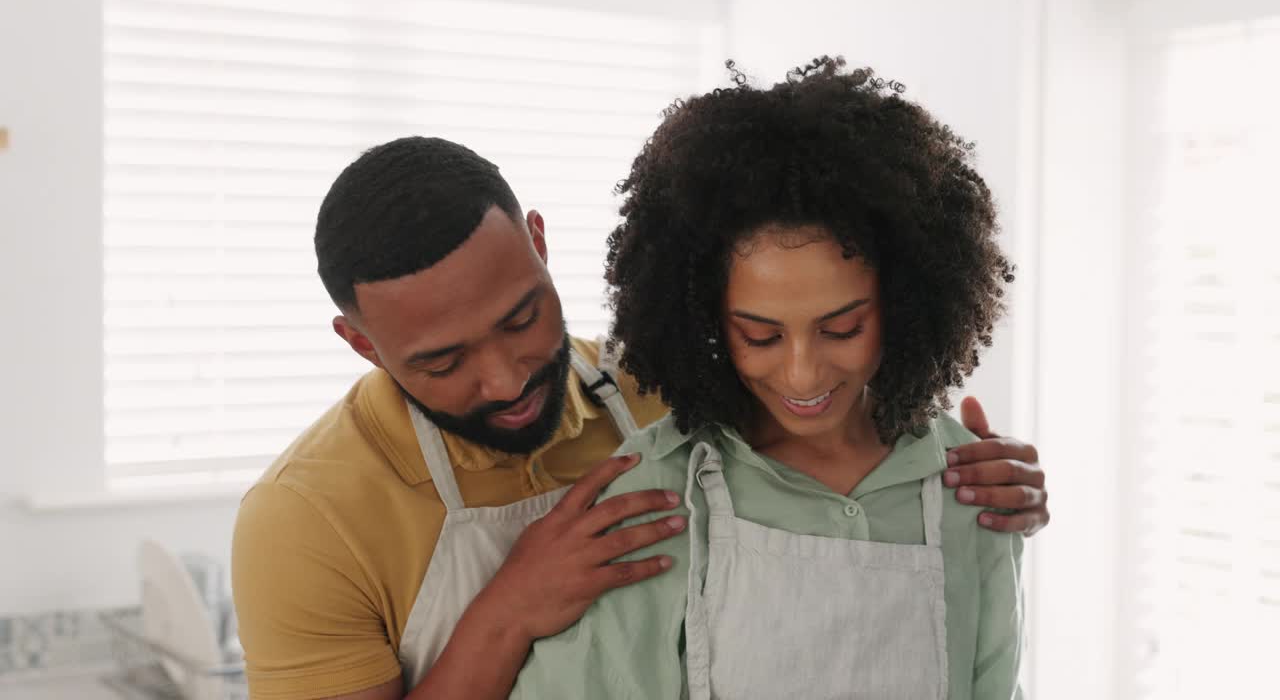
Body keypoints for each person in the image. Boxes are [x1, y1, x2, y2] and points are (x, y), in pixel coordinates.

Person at [231, 131, 1048, 699]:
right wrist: (508, 610)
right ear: (362, 343)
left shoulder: (675, 384)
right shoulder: (303, 519)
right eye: (443, 362)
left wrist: (981, 478)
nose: (508, 375)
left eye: (523, 318)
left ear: (540, 245)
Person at [511, 56, 1029, 699]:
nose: (804, 372)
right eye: (760, 335)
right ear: (704, 315)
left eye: (842, 328)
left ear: (903, 300)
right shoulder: (657, 489)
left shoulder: (970, 485)